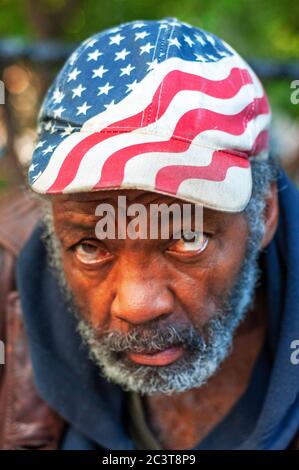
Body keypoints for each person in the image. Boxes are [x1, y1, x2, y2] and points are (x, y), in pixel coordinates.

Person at [0, 18, 299, 450]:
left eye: (188, 239)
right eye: (90, 246)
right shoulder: (7, 274)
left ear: (264, 214)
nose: (138, 305)